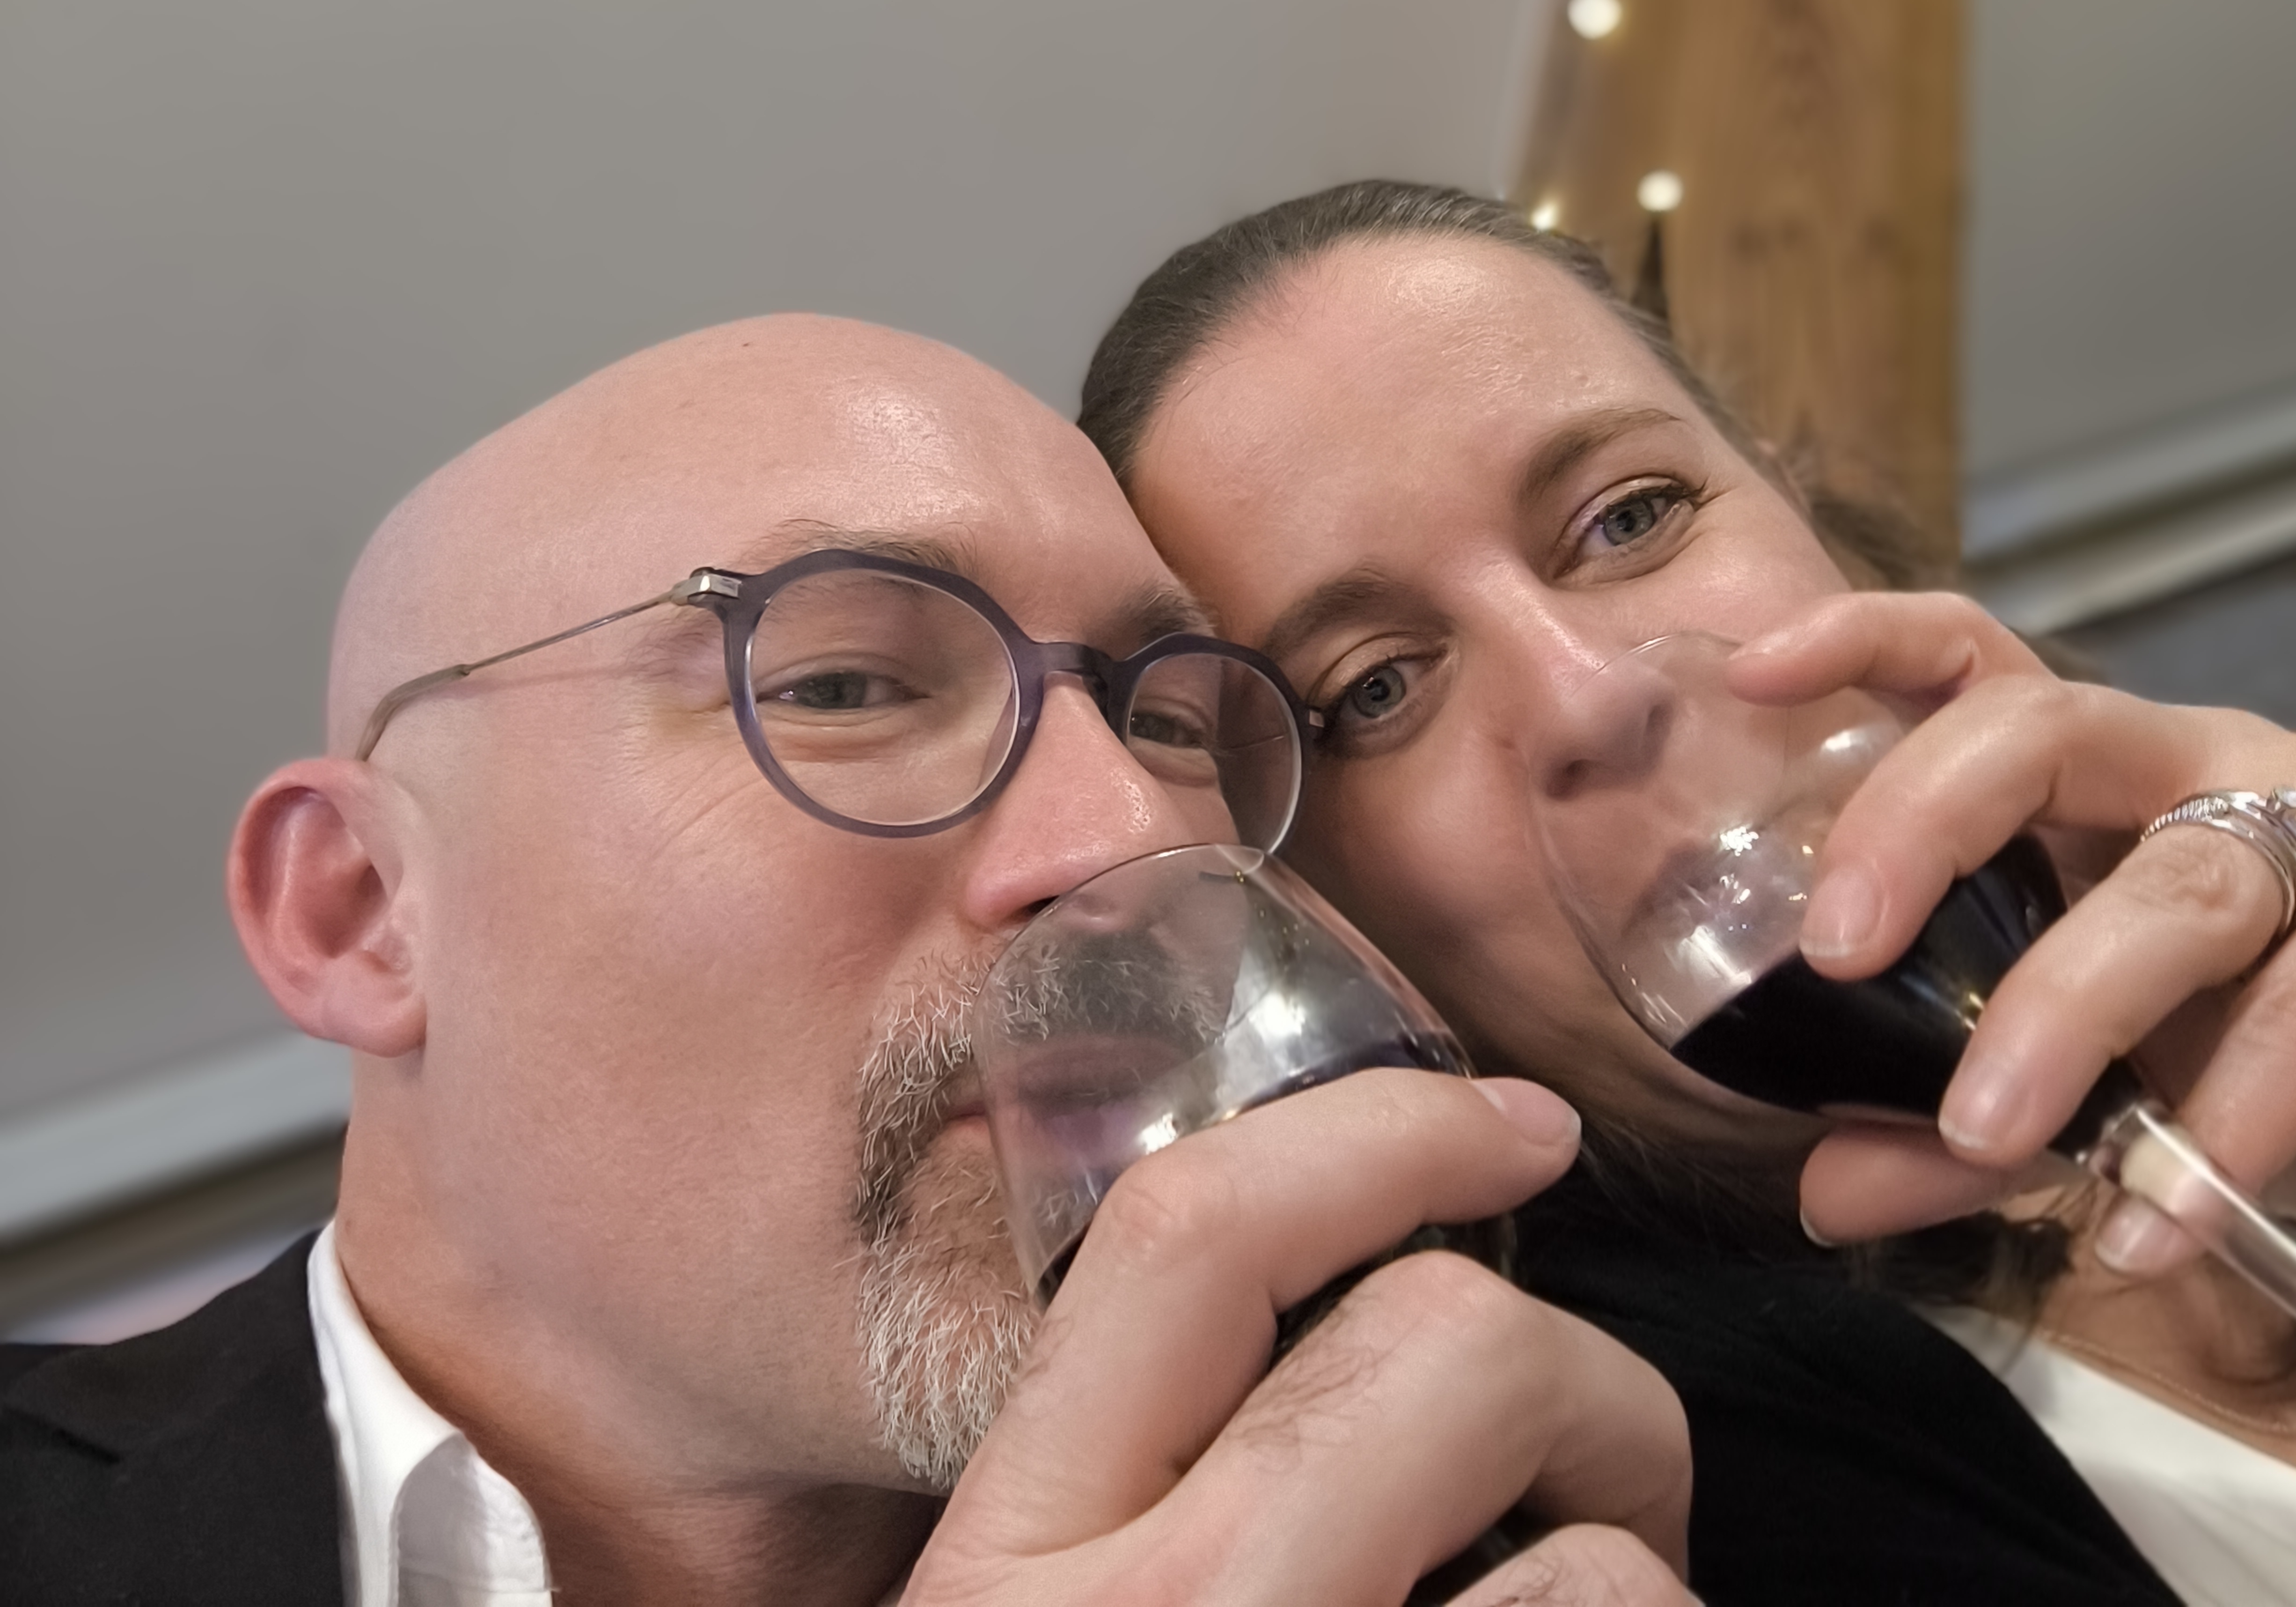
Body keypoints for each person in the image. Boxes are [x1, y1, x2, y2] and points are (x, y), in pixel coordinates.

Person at [0, 315, 1697, 1606]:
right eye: (843, 687)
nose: (1132, 839)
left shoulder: (1559, 1462)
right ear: (360, 910)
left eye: (1171, 721)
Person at [1077, 180, 2296, 1606]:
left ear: (1786, 495)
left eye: (1632, 516)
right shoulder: (1674, 1495)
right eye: (1375, 690)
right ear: (1330, 915)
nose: (1594, 698)